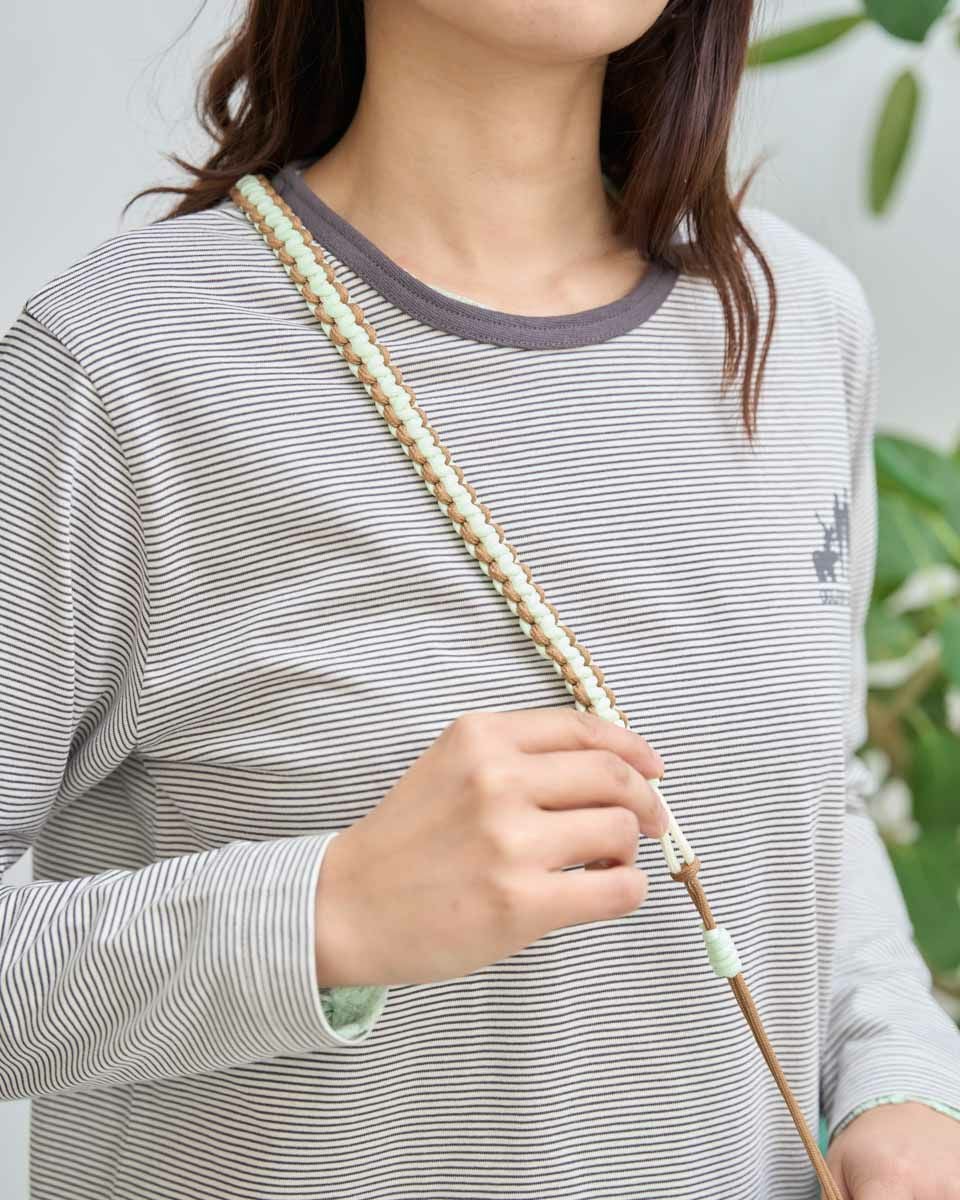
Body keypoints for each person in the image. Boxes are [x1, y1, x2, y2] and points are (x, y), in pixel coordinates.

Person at [1, 2, 958, 1197]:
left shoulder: (795, 323)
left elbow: (814, 812)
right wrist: (327, 915)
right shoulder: (118, 368)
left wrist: (900, 1077)